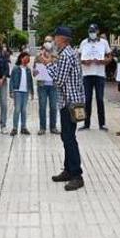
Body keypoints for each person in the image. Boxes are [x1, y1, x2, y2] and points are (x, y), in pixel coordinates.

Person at [43, 26, 86, 191]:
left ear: (62, 38)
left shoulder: (67, 55)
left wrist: (47, 65)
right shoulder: (65, 54)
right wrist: (52, 63)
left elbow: (59, 80)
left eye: (55, 37)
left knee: (69, 138)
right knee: (66, 136)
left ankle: (76, 175)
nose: (53, 40)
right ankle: (68, 170)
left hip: (71, 103)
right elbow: (61, 75)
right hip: (69, 102)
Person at [79, 23, 111, 131]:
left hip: (99, 74)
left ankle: (102, 124)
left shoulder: (104, 43)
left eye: (93, 31)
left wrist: (103, 61)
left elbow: (109, 56)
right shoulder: (84, 42)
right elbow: (79, 57)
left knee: (100, 99)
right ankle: (86, 124)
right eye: (90, 32)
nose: (92, 33)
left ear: (97, 31)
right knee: (87, 100)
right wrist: (84, 61)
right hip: (87, 74)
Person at [35, 35, 59, 135]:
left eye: (50, 41)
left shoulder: (57, 54)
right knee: (42, 107)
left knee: (54, 107)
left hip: (53, 85)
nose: (48, 43)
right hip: (42, 85)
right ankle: (42, 127)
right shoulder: (38, 55)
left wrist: (50, 59)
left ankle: (53, 127)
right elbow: (34, 70)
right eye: (46, 41)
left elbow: (59, 66)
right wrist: (35, 71)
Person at [9, 51, 35, 136]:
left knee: (24, 110)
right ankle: (15, 128)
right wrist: (11, 91)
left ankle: (23, 127)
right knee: (17, 110)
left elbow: (30, 81)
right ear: (21, 58)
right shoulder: (16, 68)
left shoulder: (28, 69)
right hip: (17, 91)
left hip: (25, 92)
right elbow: (11, 80)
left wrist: (32, 92)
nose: (27, 60)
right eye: (25, 58)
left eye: (28, 59)